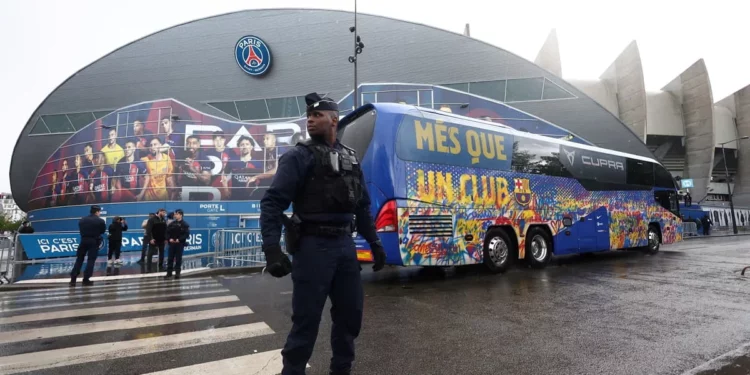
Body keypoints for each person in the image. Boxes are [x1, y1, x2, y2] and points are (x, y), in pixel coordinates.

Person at [260, 92, 386, 375]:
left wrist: (374, 242)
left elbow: (362, 207)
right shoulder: (298, 157)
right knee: (306, 322)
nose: (310, 120)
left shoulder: (350, 158)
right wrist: (272, 249)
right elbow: (272, 203)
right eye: (308, 116)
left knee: (350, 317)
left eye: (317, 116)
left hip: (344, 246)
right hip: (312, 248)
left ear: (333, 119)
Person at [70, 205, 106, 286]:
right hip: (94, 241)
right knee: (91, 260)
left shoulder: (82, 220)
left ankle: (73, 278)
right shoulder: (100, 221)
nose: (100, 213)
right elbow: (102, 231)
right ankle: (86, 279)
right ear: (97, 211)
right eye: (99, 212)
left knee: (79, 259)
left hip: (83, 241)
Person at [165, 209, 190, 279]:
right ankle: (169, 273)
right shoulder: (172, 224)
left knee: (178, 259)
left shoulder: (185, 224)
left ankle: (177, 273)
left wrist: (179, 239)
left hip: (179, 244)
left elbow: (186, 234)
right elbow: (167, 232)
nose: (175, 215)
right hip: (172, 244)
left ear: (180, 215)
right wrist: (169, 239)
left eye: (176, 214)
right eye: (175, 214)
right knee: (170, 258)